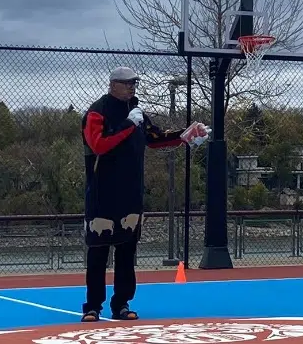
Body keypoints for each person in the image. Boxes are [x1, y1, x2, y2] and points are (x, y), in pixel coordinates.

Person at [80, 67, 210, 322]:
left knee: (127, 252)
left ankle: (122, 304)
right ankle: (93, 306)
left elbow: (155, 138)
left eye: (134, 83)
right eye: (127, 83)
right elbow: (99, 144)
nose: (132, 87)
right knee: (98, 252)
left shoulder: (137, 112)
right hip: (101, 193)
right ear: (113, 84)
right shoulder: (97, 112)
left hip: (130, 192)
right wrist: (129, 124)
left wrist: (184, 136)